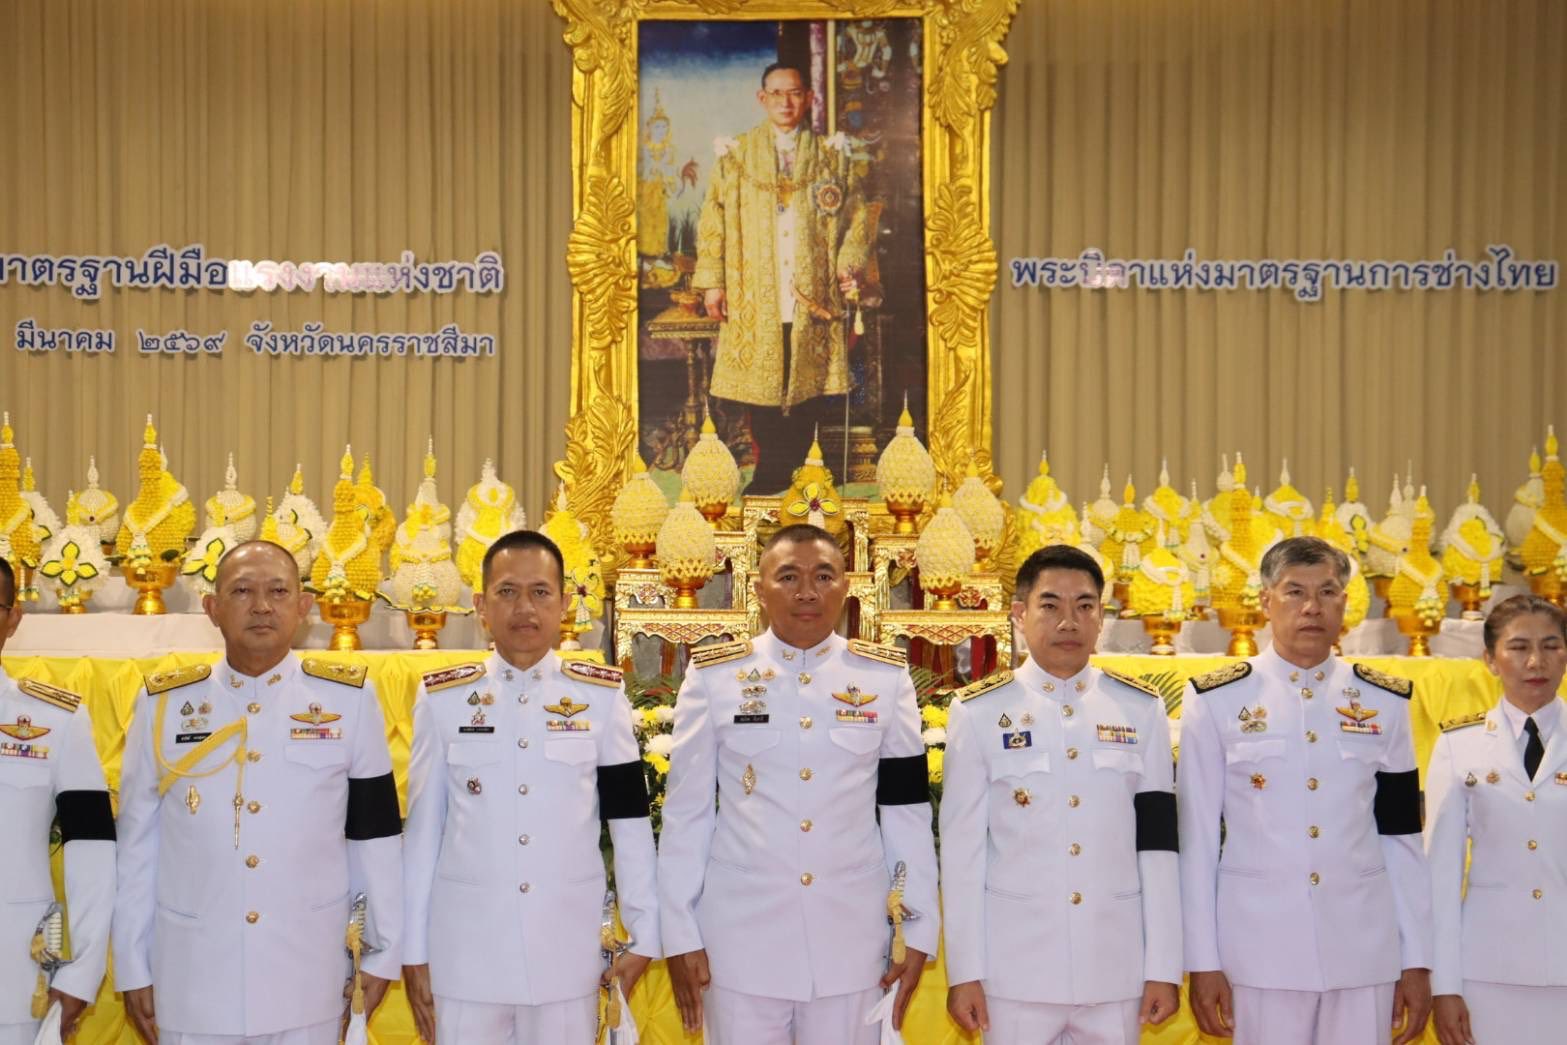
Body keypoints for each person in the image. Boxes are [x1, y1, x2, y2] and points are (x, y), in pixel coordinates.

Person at [113, 540, 403, 1044]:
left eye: (278, 591)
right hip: (194, 973)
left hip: (308, 972)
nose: (262, 606)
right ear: (212, 608)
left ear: (304, 606)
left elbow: (373, 837)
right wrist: (133, 964)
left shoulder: (348, 699)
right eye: (242, 591)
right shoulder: (165, 703)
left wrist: (382, 950)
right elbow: (139, 842)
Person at [658, 523, 936, 1043]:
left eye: (824, 576)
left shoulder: (883, 678)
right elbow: (687, 814)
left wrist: (917, 925)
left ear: (846, 588)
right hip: (740, 942)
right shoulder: (715, 677)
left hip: (852, 941)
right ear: (759, 590)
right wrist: (678, 933)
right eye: (788, 577)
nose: (807, 591)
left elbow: (907, 812)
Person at [402, 530, 658, 1042]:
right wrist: (411, 948)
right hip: (467, 952)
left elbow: (629, 821)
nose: (524, 607)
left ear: (564, 604)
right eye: (507, 591)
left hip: (567, 949)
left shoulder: (601, 697)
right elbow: (424, 832)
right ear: (481, 606)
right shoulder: (443, 700)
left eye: (541, 592)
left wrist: (646, 931)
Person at [1178, 535, 1433, 1045]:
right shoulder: (1217, 698)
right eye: (1295, 592)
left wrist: (1417, 959)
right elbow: (1197, 839)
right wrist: (1202, 961)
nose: (1312, 607)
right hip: (1260, 947)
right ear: (1265, 601)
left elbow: (1401, 837)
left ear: (1345, 603)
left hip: (1363, 946)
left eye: (1328, 592)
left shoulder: (1384, 701)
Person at [940, 544, 1181, 1043]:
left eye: (1085, 606)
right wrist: (965, 971)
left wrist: (1163, 965)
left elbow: (1158, 845)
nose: (1069, 621)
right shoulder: (979, 712)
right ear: (1019, 614)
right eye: (1050, 605)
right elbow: (963, 852)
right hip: (1014, 969)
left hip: (1113, 963)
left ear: (1101, 618)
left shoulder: (1140, 710)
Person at [693, 62, 873, 493]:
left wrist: (848, 266)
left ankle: (805, 468)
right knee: (765, 382)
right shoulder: (735, 156)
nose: (785, 102)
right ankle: (770, 470)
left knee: (807, 379)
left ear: (808, 97)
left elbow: (857, 219)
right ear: (762, 99)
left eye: (794, 93)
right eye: (776, 93)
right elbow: (712, 220)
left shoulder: (832, 156)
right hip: (755, 288)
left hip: (813, 290)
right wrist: (714, 282)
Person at [1425, 595, 1567, 1044]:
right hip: (1488, 969)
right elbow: (1440, 877)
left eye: (1551, 646)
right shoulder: (1459, 745)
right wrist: (1444, 985)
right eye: (1519, 647)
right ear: (1490, 660)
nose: (1536, 661)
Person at [0, 558, 115, 1043]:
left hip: (11, 981)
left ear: (13, 618)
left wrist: (82, 972)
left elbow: (93, 849)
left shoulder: (55, 720)